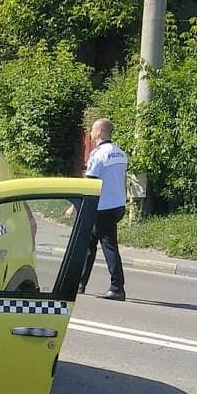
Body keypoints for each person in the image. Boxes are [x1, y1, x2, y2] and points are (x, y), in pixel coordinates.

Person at [78, 117, 128, 301]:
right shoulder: (120, 153)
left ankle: (117, 288)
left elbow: (90, 182)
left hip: (102, 207)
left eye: (93, 129)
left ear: (99, 132)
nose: (91, 133)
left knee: (109, 247)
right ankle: (80, 283)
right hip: (118, 205)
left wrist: (77, 206)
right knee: (89, 243)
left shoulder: (98, 154)